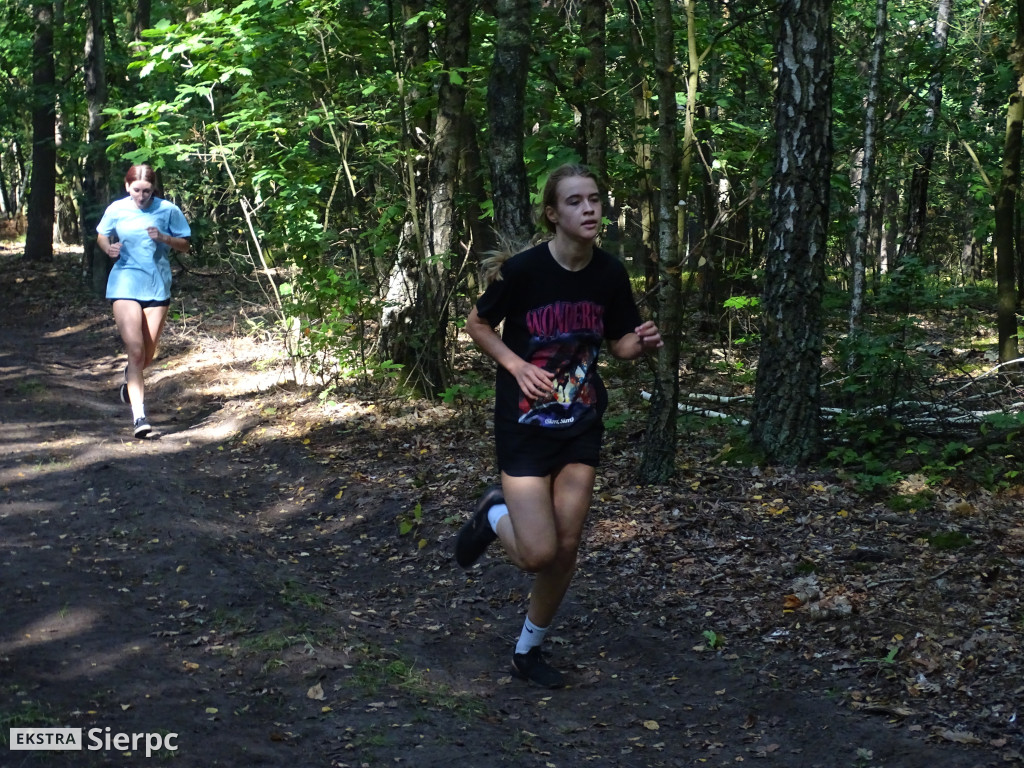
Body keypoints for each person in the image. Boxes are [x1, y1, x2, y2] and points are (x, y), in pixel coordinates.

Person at [455, 162, 663, 688]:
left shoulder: (611, 274)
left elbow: (617, 345)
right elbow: (477, 323)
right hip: (524, 425)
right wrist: (517, 365)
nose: (589, 208)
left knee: (566, 549)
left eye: (594, 198)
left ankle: (528, 652)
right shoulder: (523, 272)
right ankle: (493, 510)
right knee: (537, 554)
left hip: (580, 422)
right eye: (575, 201)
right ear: (552, 213)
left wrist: (638, 344)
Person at [96, 164, 191, 438]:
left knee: (146, 356)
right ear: (127, 187)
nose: (141, 196)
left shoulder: (167, 210)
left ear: (154, 189)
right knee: (136, 350)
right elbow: (102, 234)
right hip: (125, 283)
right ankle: (140, 417)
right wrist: (108, 247)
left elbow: (186, 244)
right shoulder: (117, 209)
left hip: (157, 288)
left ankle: (129, 383)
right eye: (136, 190)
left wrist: (164, 238)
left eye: (147, 191)